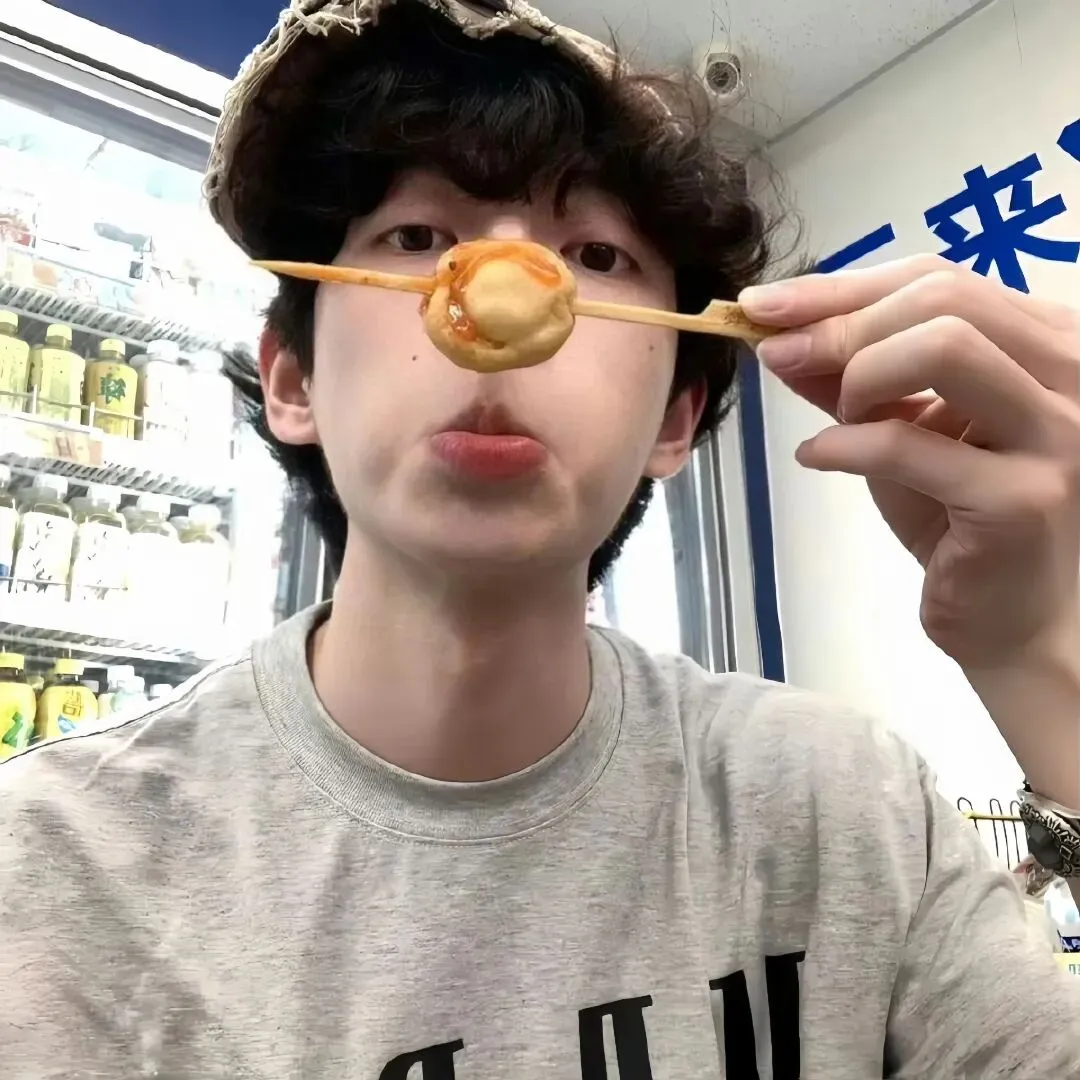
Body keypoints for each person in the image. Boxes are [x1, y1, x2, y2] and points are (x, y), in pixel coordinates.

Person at [3, 1, 1080, 1076]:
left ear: (674, 420)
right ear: (295, 381)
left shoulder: (850, 816)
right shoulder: (51, 873)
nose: (501, 310)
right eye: (417, 238)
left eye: (596, 254)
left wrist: (1042, 659)